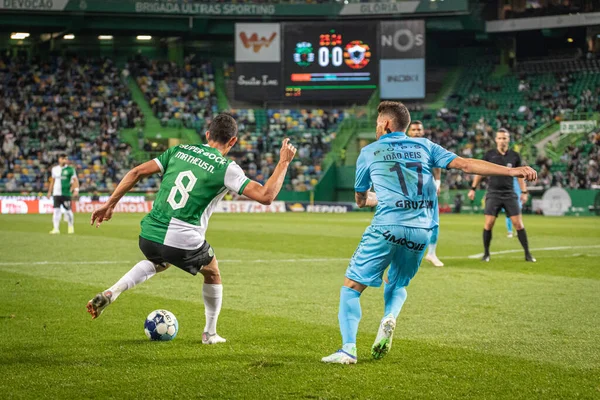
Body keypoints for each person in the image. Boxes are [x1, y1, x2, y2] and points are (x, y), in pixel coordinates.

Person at [321, 101, 537, 364]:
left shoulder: (369, 151)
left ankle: (348, 350)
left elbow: (360, 198)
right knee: (398, 283)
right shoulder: (425, 146)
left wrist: (374, 199)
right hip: (421, 230)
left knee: (352, 287)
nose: (376, 127)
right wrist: (513, 171)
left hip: (387, 227)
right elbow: (466, 165)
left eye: (378, 123)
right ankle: (389, 316)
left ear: (386, 124)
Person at [86, 113, 297, 345]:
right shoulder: (227, 167)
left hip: (149, 233)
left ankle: (112, 291)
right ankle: (210, 333)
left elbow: (136, 172)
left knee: (160, 261)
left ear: (207, 135)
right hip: (182, 237)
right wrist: (284, 162)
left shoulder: (179, 151)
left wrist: (109, 204)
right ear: (233, 141)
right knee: (213, 272)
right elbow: (266, 196)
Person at [468, 128, 535, 262]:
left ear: (508, 139)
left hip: (509, 193)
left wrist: (524, 191)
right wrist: (473, 188)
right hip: (493, 193)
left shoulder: (515, 156)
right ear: (496, 140)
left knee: (518, 224)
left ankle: (528, 254)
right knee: (489, 224)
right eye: (500, 138)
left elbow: (520, 176)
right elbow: (480, 172)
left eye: (504, 138)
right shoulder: (489, 155)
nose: (502, 140)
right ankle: (486, 254)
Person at [407, 121, 444, 267]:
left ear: (423, 132)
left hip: (428, 191)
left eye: (419, 130)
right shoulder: (402, 147)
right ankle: (407, 254)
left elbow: (437, 166)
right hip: (408, 192)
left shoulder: (429, 147)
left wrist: (438, 183)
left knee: (434, 223)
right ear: (409, 132)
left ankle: (431, 253)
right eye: (414, 129)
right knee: (408, 224)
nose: (416, 132)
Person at [47, 153, 78, 234]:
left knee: (68, 211)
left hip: (66, 193)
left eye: (66, 158)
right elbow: (52, 181)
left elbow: (75, 180)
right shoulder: (54, 169)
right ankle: (56, 228)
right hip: (56, 193)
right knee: (56, 211)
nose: (65, 160)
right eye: (63, 158)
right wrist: (49, 192)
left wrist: (75, 190)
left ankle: (70, 226)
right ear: (59, 159)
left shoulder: (71, 169)